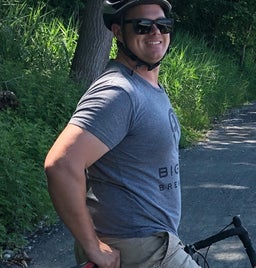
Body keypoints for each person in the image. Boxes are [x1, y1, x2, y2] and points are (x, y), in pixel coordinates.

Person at [44, 1, 200, 267]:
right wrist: (93, 248)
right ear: (118, 32)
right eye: (142, 26)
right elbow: (61, 165)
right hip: (137, 249)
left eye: (163, 25)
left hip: (152, 243)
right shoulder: (119, 91)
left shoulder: (146, 87)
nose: (155, 33)